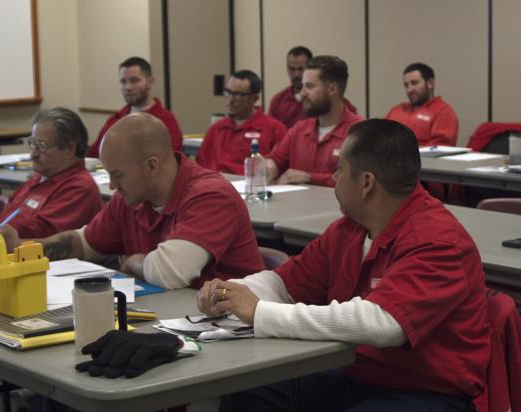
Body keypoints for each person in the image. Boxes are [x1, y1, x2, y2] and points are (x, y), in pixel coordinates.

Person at [199, 119, 490, 411]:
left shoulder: (437, 240)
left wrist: (262, 313)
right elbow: (288, 282)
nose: (333, 177)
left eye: (339, 170)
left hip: (426, 390)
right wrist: (232, 291)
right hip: (358, 374)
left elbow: (384, 324)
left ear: (366, 183)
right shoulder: (351, 229)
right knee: (247, 390)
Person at [0, 112, 264, 289]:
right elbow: (84, 242)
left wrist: (135, 261)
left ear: (151, 165)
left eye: (117, 174)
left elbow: (169, 272)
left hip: (231, 331)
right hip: (175, 318)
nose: (111, 185)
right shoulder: (132, 196)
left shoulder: (210, 195)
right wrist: (22, 248)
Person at [0, 107, 103, 246]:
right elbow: (8, 220)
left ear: (69, 149)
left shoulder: (79, 187)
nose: (33, 154)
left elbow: (39, 230)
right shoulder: (39, 178)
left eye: (42, 146)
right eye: (32, 143)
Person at [266, 55, 364, 187]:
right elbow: (276, 159)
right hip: (295, 205)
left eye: (309, 86)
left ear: (332, 89)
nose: (302, 93)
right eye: (302, 86)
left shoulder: (360, 132)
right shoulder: (299, 130)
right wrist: (270, 166)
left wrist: (309, 178)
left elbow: (357, 181)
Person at [86, 56, 183, 157]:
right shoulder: (116, 119)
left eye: (134, 80)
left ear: (150, 82)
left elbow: (170, 161)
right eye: (123, 82)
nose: (128, 87)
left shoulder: (165, 120)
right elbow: (94, 154)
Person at [196, 70, 286, 175]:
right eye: (228, 92)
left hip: (251, 187)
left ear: (254, 98)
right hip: (217, 185)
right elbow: (200, 166)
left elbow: (282, 167)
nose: (230, 99)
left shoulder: (274, 129)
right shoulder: (216, 129)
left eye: (237, 95)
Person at [268, 46, 357, 129]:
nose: (296, 74)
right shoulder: (278, 101)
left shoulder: (339, 104)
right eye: (292, 69)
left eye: (301, 69)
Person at [386, 62, 459, 146]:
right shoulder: (397, 110)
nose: (409, 89)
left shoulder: (443, 112)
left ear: (430, 83)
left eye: (414, 83)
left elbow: (440, 148)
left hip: (420, 158)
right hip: (389, 157)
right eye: (406, 85)